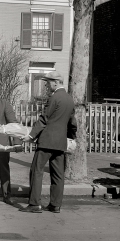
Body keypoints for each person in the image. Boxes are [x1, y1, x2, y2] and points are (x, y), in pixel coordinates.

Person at [19, 71, 77, 214]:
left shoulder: (54, 98)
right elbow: (72, 123)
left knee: (36, 171)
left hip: (46, 141)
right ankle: (55, 205)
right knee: (58, 175)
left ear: (56, 82)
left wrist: (31, 136)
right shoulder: (70, 99)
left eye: (49, 81)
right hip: (61, 142)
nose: (47, 84)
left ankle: (34, 204)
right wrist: (71, 138)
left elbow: (44, 119)